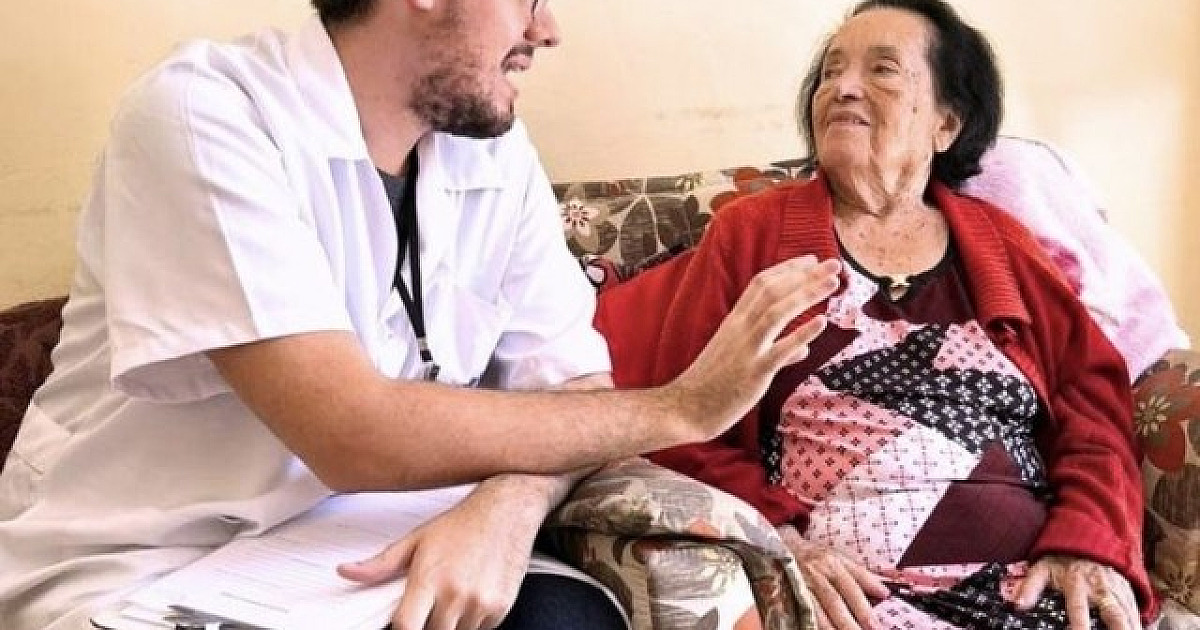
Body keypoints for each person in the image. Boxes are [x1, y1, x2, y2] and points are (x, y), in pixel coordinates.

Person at [0, 1, 843, 628]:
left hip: (359, 550)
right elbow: (353, 432)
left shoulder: (494, 151)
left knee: (571, 622)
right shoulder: (203, 112)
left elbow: (574, 385)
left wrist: (506, 510)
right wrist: (681, 405)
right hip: (140, 570)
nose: (548, 30)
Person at [595, 1, 1155, 629]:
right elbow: (689, 419)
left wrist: (1084, 540)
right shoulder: (751, 234)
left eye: (882, 69)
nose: (844, 87)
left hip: (1025, 593)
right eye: (831, 72)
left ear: (946, 121)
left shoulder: (1002, 244)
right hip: (854, 599)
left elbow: (1094, 409)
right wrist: (783, 539)